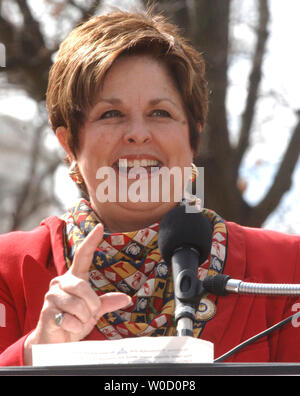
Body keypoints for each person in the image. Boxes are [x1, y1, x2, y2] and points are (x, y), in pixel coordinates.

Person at [1, 8, 300, 367]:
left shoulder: (287, 272)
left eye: (161, 113)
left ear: (194, 136)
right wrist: (35, 352)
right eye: (110, 114)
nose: (138, 133)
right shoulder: (10, 270)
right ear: (69, 144)